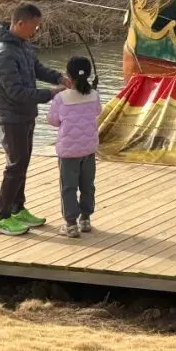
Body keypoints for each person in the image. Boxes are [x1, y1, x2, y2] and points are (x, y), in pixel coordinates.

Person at [0, 3, 70, 236]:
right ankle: (1, 217)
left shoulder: (23, 45)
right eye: (34, 26)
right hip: (11, 117)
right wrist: (51, 93)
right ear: (20, 23)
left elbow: (37, 69)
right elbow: (16, 92)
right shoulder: (3, 54)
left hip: (26, 114)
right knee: (15, 165)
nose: (36, 31)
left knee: (22, 163)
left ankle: (17, 208)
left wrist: (60, 78)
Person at [47, 56, 101, 238]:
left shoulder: (61, 98)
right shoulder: (94, 95)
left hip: (68, 151)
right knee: (87, 185)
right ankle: (85, 219)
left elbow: (53, 121)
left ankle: (70, 224)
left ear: (68, 76)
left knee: (68, 187)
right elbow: (98, 111)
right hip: (89, 149)